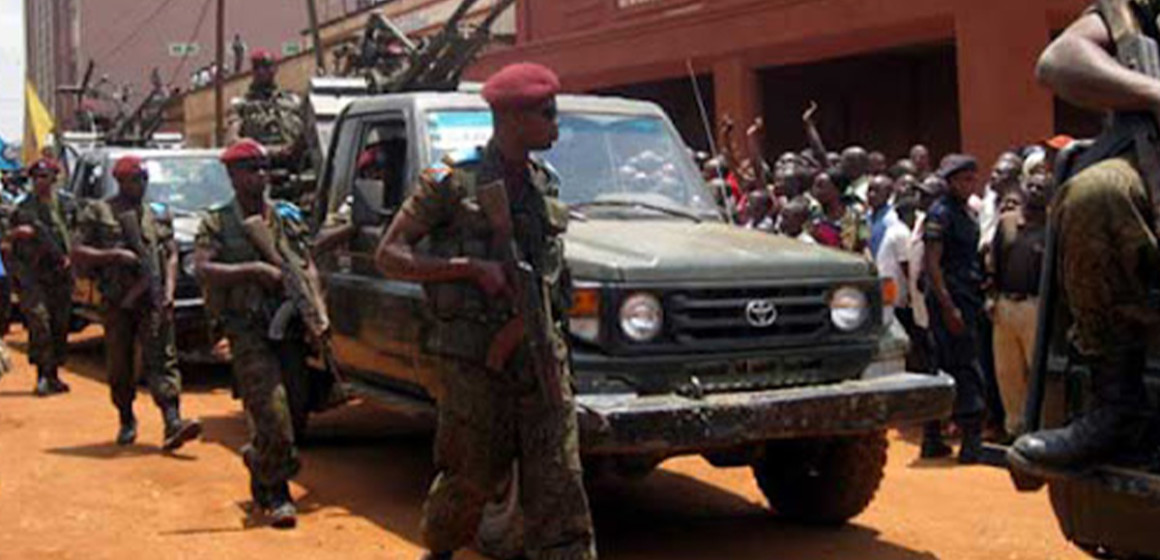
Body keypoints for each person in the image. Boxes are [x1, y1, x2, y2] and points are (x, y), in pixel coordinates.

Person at [375, 62, 596, 560]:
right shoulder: (451, 182)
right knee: (469, 481)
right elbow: (389, 255)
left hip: (540, 356)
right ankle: (440, 549)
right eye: (547, 113)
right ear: (513, 118)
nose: (556, 123)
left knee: (561, 485)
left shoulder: (544, 182)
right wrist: (468, 269)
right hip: (476, 364)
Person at [1009, 4, 1160, 473]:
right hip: (1152, 155)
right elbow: (1060, 61)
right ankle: (1118, 408)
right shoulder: (1138, 10)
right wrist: (1153, 93)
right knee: (1094, 193)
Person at [192, 139, 314, 528]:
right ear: (232, 175)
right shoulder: (218, 221)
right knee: (272, 410)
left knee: (294, 409)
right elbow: (202, 268)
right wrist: (253, 271)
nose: (260, 176)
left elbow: (306, 263)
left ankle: (259, 459)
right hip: (247, 330)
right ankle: (278, 492)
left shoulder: (284, 217)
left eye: (264, 168)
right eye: (250, 169)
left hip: (288, 327)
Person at [71, 156, 203, 449]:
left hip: (151, 298)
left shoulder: (156, 214)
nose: (141, 185)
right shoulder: (99, 212)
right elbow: (77, 251)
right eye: (135, 180)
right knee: (120, 363)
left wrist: (168, 291)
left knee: (163, 358)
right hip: (117, 302)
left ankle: (172, 421)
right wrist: (114, 256)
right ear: (120, 181)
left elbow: (171, 252)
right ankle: (126, 418)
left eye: (144, 179)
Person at [923, 154, 987, 463]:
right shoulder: (941, 213)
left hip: (966, 294)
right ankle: (969, 441)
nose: (970, 185)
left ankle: (933, 437)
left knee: (949, 364)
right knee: (964, 365)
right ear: (950, 182)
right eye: (964, 180)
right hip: (950, 297)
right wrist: (949, 307)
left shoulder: (965, 211)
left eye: (973, 179)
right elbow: (932, 264)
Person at [7, 158, 73, 397]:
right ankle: (42, 374)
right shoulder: (23, 208)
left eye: (44, 177)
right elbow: (5, 238)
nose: (39, 182)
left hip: (61, 274)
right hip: (32, 274)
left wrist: (72, 256)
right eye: (35, 178)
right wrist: (17, 233)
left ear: (54, 179)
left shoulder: (66, 205)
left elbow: (79, 232)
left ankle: (53, 373)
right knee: (39, 321)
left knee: (59, 324)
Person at [988, 181, 1045, 440]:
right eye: (1031, 187)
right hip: (1006, 304)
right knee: (1007, 372)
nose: (1035, 191)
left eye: (1042, 188)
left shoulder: (1052, 226)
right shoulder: (1008, 222)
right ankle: (1014, 430)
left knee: (1037, 371)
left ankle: (1040, 429)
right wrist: (992, 297)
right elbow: (994, 262)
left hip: (1036, 306)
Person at [226, 49, 306, 203]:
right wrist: (265, 151)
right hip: (258, 173)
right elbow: (232, 141)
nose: (262, 71)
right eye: (257, 67)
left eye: (266, 66)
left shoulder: (293, 101)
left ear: (275, 68)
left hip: (295, 171)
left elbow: (308, 133)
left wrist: (295, 148)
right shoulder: (242, 105)